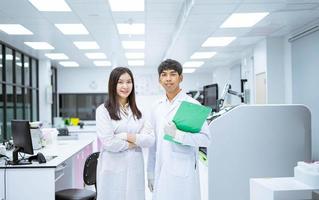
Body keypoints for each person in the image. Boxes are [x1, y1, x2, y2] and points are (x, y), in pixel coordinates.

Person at [147, 59, 210, 200]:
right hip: (160, 171)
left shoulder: (192, 105)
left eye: (173, 74)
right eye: (164, 75)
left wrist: (178, 135)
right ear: (159, 79)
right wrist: (150, 172)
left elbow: (206, 139)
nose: (168, 79)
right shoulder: (156, 106)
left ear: (181, 78)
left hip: (184, 172)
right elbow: (153, 144)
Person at [96, 67, 155, 200]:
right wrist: (136, 141)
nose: (125, 86)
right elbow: (109, 143)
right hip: (112, 167)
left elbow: (150, 140)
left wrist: (124, 136)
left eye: (129, 82)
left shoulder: (139, 111)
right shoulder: (103, 110)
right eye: (120, 82)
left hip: (135, 166)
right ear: (113, 84)